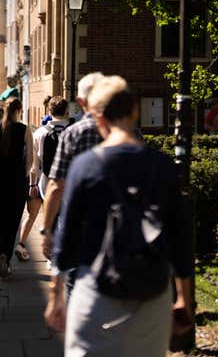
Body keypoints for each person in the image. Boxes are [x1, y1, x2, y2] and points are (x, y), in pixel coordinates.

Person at [45, 76, 195, 357]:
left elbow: (68, 239)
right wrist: (184, 297)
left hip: (97, 289)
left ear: (99, 118)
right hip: (152, 292)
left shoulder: (85, 166)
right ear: (135, 112)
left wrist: (55, 295)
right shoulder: (162, 165)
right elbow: (181, 236)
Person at [40, 73, 105, 260]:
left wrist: (46, 230)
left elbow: (56, 185)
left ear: (80, 101)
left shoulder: (74, 133)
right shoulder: (130, 132)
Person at [0, 97, 34, 278]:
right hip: (16, 182)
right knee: (12, 223)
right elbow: (30, 160)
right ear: (19, 111)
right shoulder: (25, 130)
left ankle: (0, 255)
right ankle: (7, 256)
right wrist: (24, 175)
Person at [19, 96, 69, 262]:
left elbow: (35, 164)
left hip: (43, 182)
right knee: (62, 218)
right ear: (67, 111)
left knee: (35, 215)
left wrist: (32, 183)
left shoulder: (39, 133)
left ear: (49, 111)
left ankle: (23, 245)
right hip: (67, 183)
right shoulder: (73, 131)